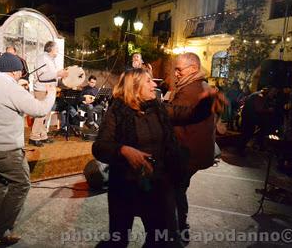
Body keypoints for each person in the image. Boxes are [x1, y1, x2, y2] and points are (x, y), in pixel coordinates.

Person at [92, 68, 182, 247]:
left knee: (158, 238)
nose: (154, 85)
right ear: (134, 87)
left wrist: (207, 102)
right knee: (119, 237)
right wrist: (123, 150)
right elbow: (100, 147)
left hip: (156, 184)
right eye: (148, 81)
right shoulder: (117, 110)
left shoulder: (158, 108)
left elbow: (184, 113)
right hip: (126, 184)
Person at [0, 53, 56, 244]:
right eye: (19, 72)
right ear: (14, 71)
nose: (21, 75)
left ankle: (2, 230)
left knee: (0, 188)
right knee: (21, 185)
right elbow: (39, 109)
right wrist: (52, 93)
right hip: (6, 151)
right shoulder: (11, 88)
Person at [168, 52, 218, 242]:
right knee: (179, 189)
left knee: (174, 191)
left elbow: (173, 117)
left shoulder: (190, 90)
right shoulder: (201, 86)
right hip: (196, 153)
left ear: (193, 69)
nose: (176, 73)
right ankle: (180, 227)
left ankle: (178, 229)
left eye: (179, 69)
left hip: (186, 152)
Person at [29, 41, 68, 147]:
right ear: (51, 49)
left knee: (45, 114)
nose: (58, 51)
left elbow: (51, 75)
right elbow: (42, 76)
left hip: (49, 90)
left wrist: (60, 76)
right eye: (57, 49)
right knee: (41, 114)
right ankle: (34, 137)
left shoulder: (50, 60)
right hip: (42, 90)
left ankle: (43, 135)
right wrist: (58, 73)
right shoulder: (42, 58)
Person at [238, 87, 277, 153]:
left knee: (247, 133)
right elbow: (258, 109)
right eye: (273, 92)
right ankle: (240, 150)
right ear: (268, 91)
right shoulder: (260, 95)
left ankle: (243, 148)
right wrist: (268, 110)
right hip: (249, 117)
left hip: (249, 116)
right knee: (247, 133)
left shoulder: (258, 94)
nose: (274, 94)